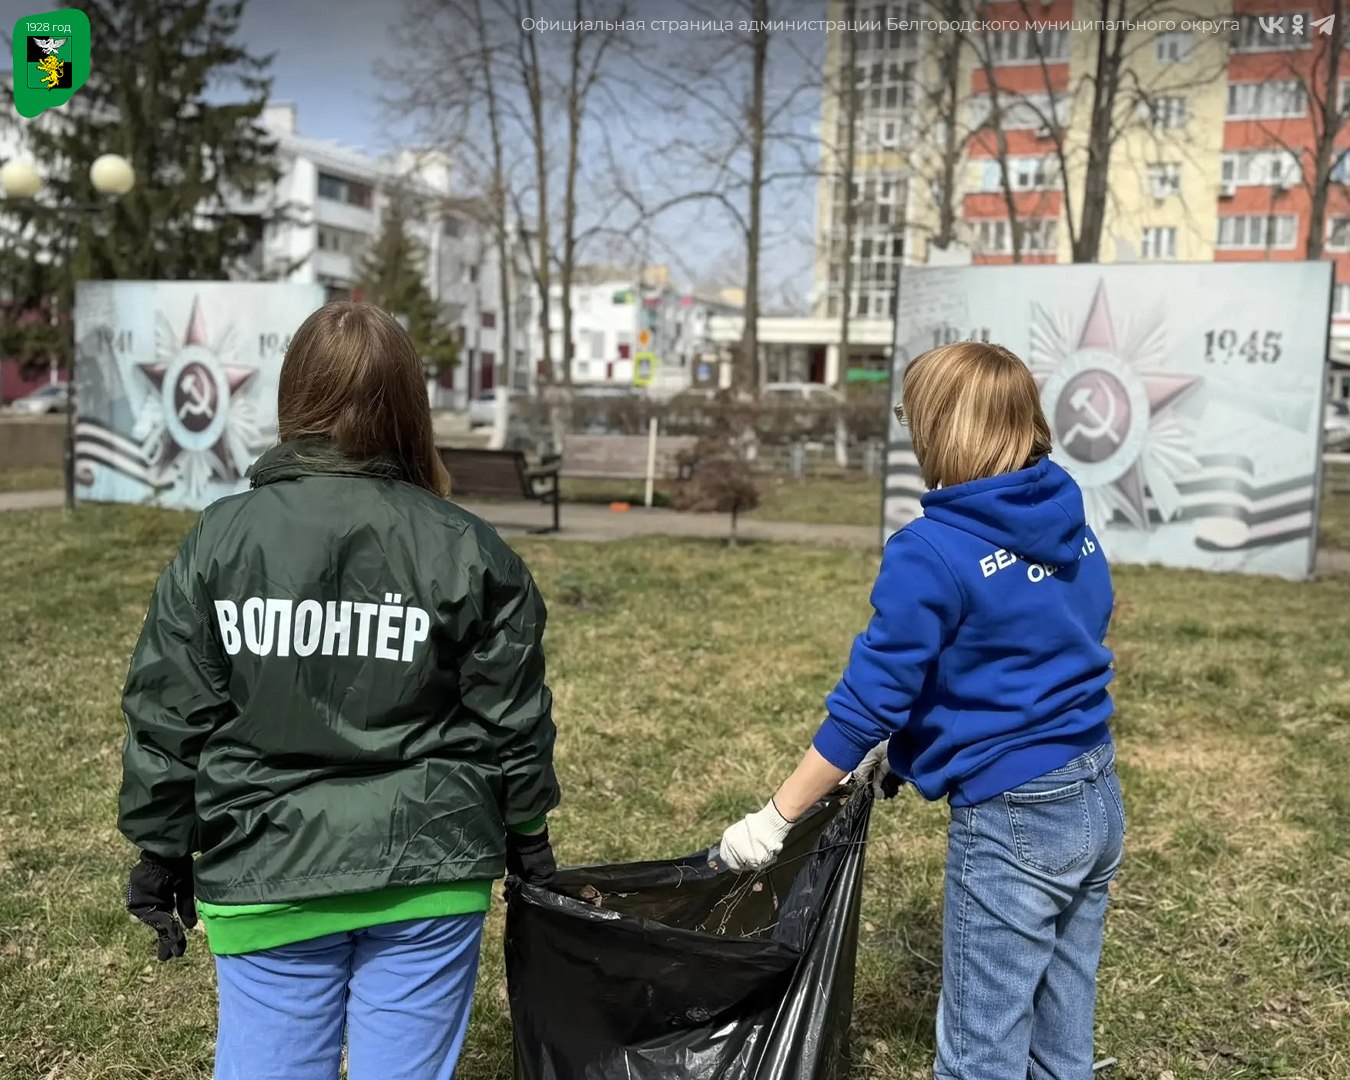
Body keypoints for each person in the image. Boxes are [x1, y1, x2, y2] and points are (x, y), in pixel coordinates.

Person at [117, 301, 561, 1080]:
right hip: (431, 869)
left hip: (265, 866)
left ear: (295, 399)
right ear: (409, 406)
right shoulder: (468, 548)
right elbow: (511, 721)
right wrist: (529, 836)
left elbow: (168, 714)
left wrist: (160, 848)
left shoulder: (220, 540)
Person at [719, 342, 1125, 1080]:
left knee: (981, 1048)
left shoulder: (931, 550)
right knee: (1061, 1034)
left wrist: (773, 820)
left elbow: (866, 702)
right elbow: (1076, 622)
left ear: (938, 427)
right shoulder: (1067, 513)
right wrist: (907, 748)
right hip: (1095, 792)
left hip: (1016, 818)